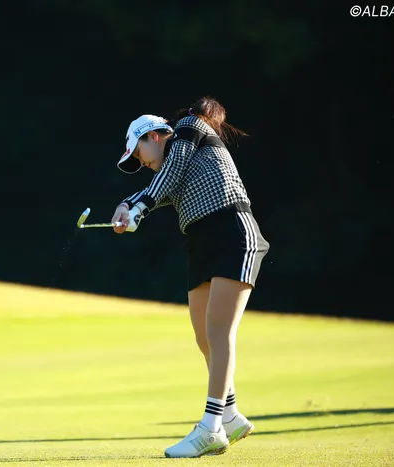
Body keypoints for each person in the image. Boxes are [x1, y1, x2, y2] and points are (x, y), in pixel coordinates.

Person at [111, 97, 270, 458]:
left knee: (218, 331)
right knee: (203, 335)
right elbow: (167, 184)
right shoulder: (173, 167)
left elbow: (169, 174)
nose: (142, 162)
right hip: (201, 243)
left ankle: (210, 427)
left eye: (139, 153)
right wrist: (127, 204)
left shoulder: (187, 128)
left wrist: (139, 207)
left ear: (154, 136)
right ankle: (230, 415)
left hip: (232, 233)